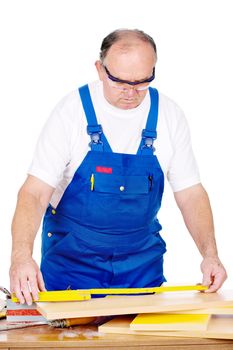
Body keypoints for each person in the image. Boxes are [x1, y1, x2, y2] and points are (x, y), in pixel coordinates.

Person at [10, 28, 227, 305]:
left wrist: (210, 254)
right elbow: (34, 192)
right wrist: (21, 257)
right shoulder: (70, 112)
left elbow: (191, 193)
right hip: (71, 273)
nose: (131, 93)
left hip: (141, 273)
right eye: (120, 83)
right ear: (100, 70)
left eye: (142, 83)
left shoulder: (169, 115)